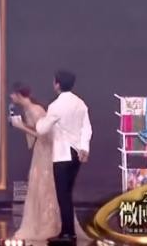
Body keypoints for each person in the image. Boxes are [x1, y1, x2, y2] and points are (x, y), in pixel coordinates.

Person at [9, 83, 90, 242]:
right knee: (40, 187)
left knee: (48, 188)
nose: (11, 97)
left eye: (12, 94)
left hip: (48, 152)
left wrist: (21, 127)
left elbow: (44, 134)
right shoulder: (29, 110)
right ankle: (49, 226)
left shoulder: (37, 109)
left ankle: (56, 226)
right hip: (40, 152)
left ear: (18, 94)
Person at [34, 70, 92, 243]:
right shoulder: (80, 103)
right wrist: (84, 148)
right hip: (77, 153)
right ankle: (67, 231)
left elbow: (42, 129)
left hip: (62, 154)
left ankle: (67, 233)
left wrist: (39, 121)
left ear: (57, 84)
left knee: (63, 195)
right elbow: (87, 128)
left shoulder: (56, 105)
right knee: (67, 193)